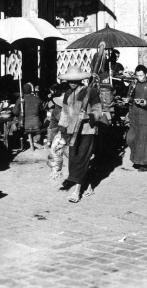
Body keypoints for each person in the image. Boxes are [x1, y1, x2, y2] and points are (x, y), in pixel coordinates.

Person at [57, 67, 102, 203]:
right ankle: (88, 185)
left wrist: (87, 116)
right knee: (74, 158)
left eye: (75, 80)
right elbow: (64, 114)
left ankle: (77, 191)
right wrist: (61, 131)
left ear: (81, 79)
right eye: (70, 80)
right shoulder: (67, 94)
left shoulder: (91, 92)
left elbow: (99, 111)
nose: (72, 83)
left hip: (87, 130)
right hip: (72, 131)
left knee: (82, 158)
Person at [126, 65, 147, 171]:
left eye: (141, 75)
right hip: (135, 113)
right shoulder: (134, 83)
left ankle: (145, 163)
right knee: (133, 137)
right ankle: (136, 160)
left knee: (146, 138)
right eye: (137, 76)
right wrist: (128, 100)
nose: (139, 78)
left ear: (146, 74)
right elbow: (130, 95)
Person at [14, 82, 45, 150]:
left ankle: (24, 142)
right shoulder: (37, 98)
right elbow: (42, 110)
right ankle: (34, 141)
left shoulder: (20, 99)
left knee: (14, 124)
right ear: (31, 90)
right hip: (37, 125)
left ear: (22, 91)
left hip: (24, 125)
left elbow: (15, 112)